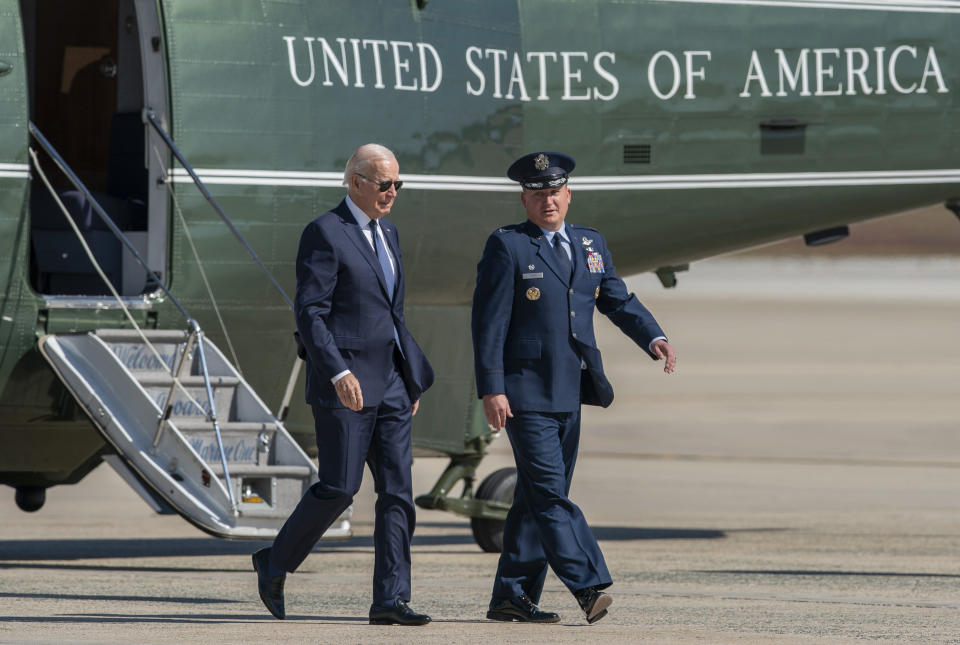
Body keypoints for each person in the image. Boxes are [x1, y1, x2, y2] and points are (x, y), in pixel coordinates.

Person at [471, 151, 677, 625]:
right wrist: (491, 387)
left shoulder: (589, 243)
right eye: (538, 193)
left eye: (555, 192)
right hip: (523, 393)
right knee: (550, 496)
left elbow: (617, 299)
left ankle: (512, 596)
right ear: (525, 198)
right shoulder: (508, 247)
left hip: (569, 389)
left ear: (569, 194)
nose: (548, 201)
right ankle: (587, 586)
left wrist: (653, 336)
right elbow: (488, 325)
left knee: (536, 497)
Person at [253, 144, 434, 626]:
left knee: (398, 493)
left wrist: (409, 377)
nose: (392, 193)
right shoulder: (325, 233)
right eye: (384, 184)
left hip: (392, 382)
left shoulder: (390, 232)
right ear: (355, 182)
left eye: (398, 184)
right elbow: (310, 312)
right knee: (340, 486)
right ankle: (274, 561)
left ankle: (390, 600)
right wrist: (337, 372)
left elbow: (391, 314)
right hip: (346, 382)